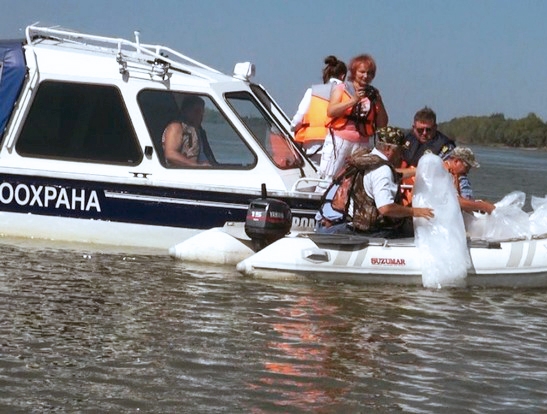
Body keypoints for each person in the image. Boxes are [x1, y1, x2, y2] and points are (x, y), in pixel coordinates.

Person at [315, 126, 434, 237]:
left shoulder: (366, 159)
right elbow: (386, 208)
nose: (402, 155)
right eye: (400, 150)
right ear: (388, 149)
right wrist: (415, 211)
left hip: (346, 222)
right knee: (414, 231)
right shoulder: (383, 170)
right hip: (369, 231)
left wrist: (418, 171)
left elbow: (394, 174)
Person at [322, 54, 389, 183]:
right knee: (329, 177)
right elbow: (331, 111)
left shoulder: (373, 95)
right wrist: (354, 100)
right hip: (340, 140)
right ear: (354, 72)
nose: (366, 76)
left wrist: (379, 101)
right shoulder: (342, 88)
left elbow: (383, 124)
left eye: (369, 73)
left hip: (362, 142)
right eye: (362, 72)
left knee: (356, 180)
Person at [291, 56, 347, 166]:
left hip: (314, 144)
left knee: (316, 176)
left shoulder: (313, 92)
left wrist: (293, 129)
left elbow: (298, 118)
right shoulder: (348, 94)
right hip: (339, 143)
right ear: (343, 76)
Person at [399, 107, 457, 205]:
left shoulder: (446, 146)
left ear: (435, 127)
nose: (424, 133)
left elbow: (444, 173)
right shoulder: (407, 140)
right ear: (413, 128)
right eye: (420, 130)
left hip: (429, 191)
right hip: (403, 187)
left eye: (428, 130)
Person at [162, 95, 216, 167]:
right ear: (186, 110)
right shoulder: (176, 127)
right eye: (196, 111)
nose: (200, 115)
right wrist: (196, 166)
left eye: (201, 112)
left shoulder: (199, 132)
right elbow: (170, 154)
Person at [443, 147, 496, 214]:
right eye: (467, 167)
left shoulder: (454, 174)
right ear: (456, 161)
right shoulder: (443, 172)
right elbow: (455, 201)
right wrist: (483, 206)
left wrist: (476, 205)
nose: (467, 171)